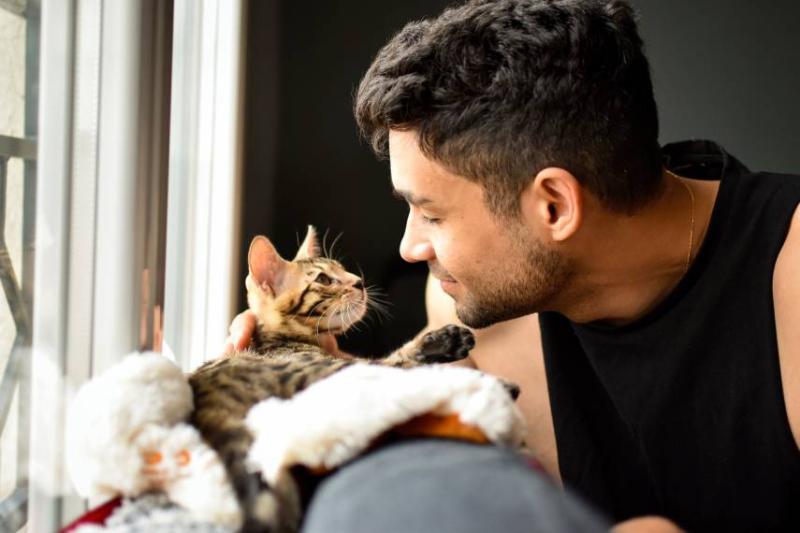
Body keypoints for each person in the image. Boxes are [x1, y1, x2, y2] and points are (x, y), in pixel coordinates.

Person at [226, 0, 800, 530]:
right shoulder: (471, 310)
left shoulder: (789, 275)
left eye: (431, 214)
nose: (409, 247)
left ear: (553, 205)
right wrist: (324, 380)